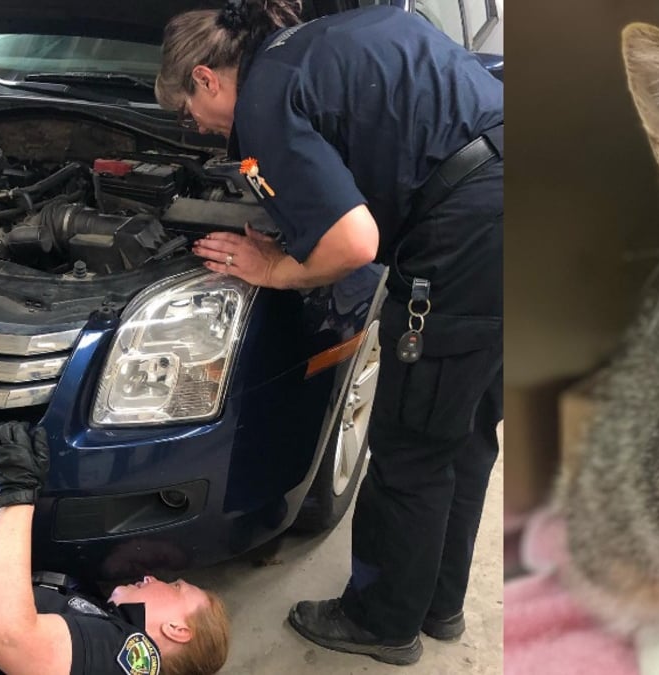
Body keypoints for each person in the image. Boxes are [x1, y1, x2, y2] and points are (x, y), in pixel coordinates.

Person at [155, 0, 502, 666]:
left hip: (464, 233)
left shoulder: (262, 100)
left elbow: (355, 240)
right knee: (465, 428)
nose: (194, 128)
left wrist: (275, 267)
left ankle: (382, 621)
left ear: (205, 78)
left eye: (185, 110)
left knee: (411, 444)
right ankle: (438, 603)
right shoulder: (307, 47)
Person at [0, 421, 231, 675]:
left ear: (178, 629)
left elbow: (7, 636)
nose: (153, 578)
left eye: (176, 586)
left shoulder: (131, 653)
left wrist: (17, 491)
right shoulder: (103, 627)